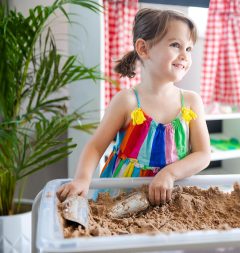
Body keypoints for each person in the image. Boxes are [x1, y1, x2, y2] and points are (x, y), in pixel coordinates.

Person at [57, 8, 210, 205]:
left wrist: (169, 173)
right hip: (120, 198)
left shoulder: (191, 102)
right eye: (175, 45)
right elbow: (95, 147)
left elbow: (203, 154)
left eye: (188, 49)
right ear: (143, 49)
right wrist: (82, 179)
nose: (185, 55)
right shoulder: (127, 101)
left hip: (169, 198)